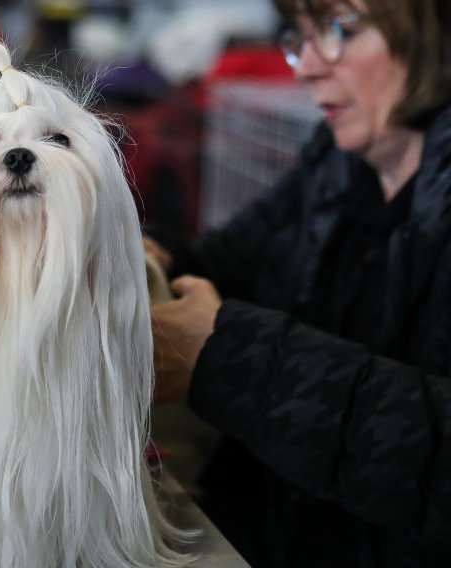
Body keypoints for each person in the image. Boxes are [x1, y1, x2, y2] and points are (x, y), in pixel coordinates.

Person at [149, 0, 451, 565]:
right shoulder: (338, 164)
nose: (306, 65)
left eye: (342, 30)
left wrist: (224, 355)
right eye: (302, 35)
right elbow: (216, 262)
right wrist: (125, 251)